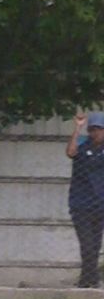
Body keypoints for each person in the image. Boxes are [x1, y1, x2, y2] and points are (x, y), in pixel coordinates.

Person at [65, 112, 104, 288]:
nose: (95, 133)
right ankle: (91, 279)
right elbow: (70, 152)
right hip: (80, 203)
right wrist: (78, 128)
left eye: (99, 129)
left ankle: (87, 280)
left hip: (100, 204)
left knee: (94, 245)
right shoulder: (82, 144)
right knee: (87, 244)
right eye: (92, 129)